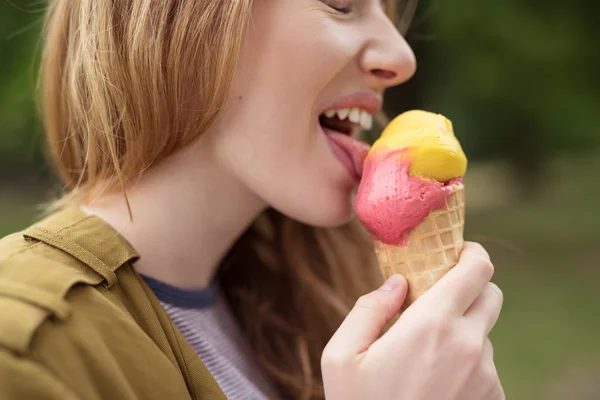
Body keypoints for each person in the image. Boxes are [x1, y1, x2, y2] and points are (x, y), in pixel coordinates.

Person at [0, 0, 504, 399]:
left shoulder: (297, 307)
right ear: (181, 17)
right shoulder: (20, 347)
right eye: (340, 3)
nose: (402, 56)